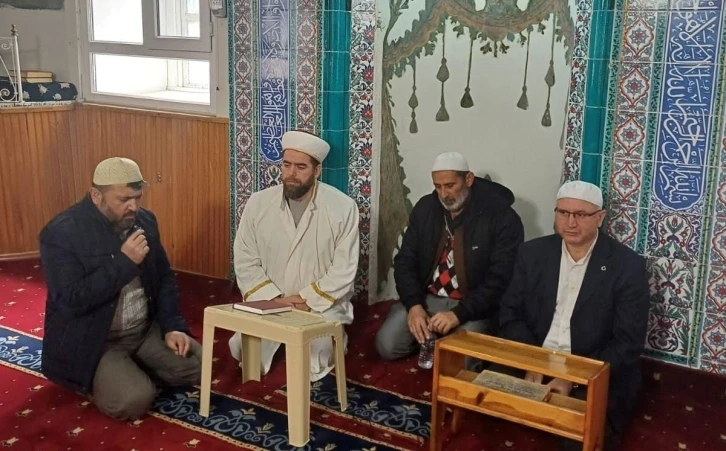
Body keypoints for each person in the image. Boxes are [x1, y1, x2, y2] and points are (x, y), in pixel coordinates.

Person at [39, 157, 201, 421]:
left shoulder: (145, 221)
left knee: (199, 366)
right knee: (133, 400)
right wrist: (124, 263)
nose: (133, 207)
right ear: (96, 196)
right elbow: (70, 300)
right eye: (123, 199)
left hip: (142, 330)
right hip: (96, 341)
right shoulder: (61, 234)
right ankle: (97, 378)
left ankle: (129, 370)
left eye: (137, 197)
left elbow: (163, 279)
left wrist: (173, 326)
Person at [498, 180, 650, 450]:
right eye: (563, 213)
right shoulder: (533, 253)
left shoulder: (627, 266)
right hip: (534, 356)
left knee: (579, 436)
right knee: (476, 397)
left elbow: (627, 343)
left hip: (593, 368)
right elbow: (510, 314)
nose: (570, 222)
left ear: (600, 218)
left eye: (580, 214)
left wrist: (572, 379)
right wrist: (533, 363)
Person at [229, 130, 360, 381]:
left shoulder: (343, 208)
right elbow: (245, 259)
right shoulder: (258, 203)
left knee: (317, 356)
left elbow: (344, 269)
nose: (291, 173)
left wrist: (305, 299)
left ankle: (335, 337)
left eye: (301, 167)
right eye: (286, 165)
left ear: (317, 171)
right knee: (243, 350)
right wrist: (275, 299)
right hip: (271, 301)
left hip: (319, 306)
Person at [375, 152, 524, 367]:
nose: (444, 194)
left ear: (468, 179)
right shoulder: (426, 208)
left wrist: (458, 314)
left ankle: (441, 339)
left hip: (473, 306)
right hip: (428, 299)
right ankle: (434, 336)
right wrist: (414, 306)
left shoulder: (502, 218)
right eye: (438, 187)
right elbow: (405, 261)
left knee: (459, 363)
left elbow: (500, 280)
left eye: (450, 186)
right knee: (387, 346)